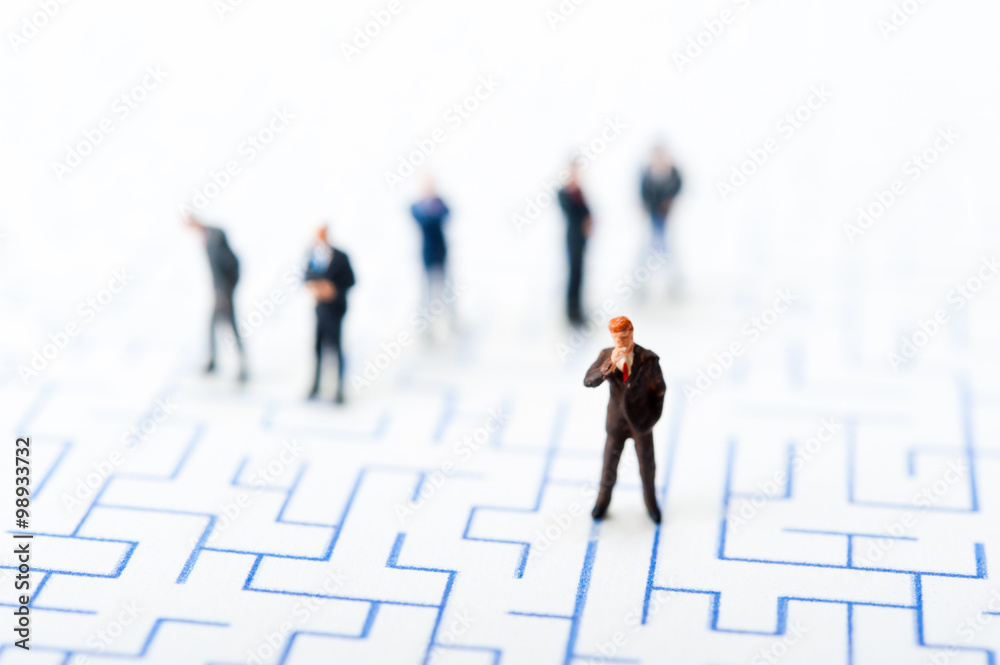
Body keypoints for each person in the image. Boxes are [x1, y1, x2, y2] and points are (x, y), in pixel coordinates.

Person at [583, 316, 666, 523]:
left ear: (631, 332)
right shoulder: (606, 355)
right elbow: (588, 380)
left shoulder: (648, 359)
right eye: (617, 338)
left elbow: (659, 390)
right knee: (608, 467)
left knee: (647, 467)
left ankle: (651, 504)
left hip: (642, 423)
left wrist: (652, 417)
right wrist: (608, 365)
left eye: (624, 337)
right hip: (616, 423)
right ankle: (602, 503)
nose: (621, 341)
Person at [185, 215, 247, 382]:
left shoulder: (216, 235)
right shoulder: (205, 237)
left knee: (232, 329)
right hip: (218, 292)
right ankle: (213, 361)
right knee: (211, 327)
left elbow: (232, 264)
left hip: (224, 293)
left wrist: (227, 290)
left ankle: (242, 366)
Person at [305, 225, 355, 404]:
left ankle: (339, 389)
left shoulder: (341, 257)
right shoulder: (312, 256)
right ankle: (316, 385)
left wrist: (333, 290)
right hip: (320, 311)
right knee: (317, 348)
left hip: (336, 310)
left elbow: (351, 280)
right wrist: (315, 287)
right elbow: (306, 277)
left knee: (336, 349)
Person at [410, 177, 452, 319]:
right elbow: (424, 220)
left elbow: (445, 215)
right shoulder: (416, 206)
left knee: (447, 290)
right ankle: (425, 324)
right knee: (426, 291)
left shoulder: (441, 203)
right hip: (427, 254)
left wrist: (432, 211)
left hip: (442, 252)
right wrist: (432, 212)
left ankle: (451, 322)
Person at [557, 160, 592, 326]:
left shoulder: (580, 192)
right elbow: (573, 214)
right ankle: (571, 313)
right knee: (573, 275)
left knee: (580, 275)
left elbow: (587, 212)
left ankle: (579, 310)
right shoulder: (564, 193)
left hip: (582, 240)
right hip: (573, 239)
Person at [640, 145, 682, 256]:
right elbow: (645, 192)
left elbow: (677, 186)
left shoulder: (673, 173)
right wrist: (646, 204)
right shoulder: (647, 174)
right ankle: (654, 253)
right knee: (654, 231)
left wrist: (669, 201)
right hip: (653, 209)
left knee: (668, 232)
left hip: (667, 210)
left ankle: (665, 254)